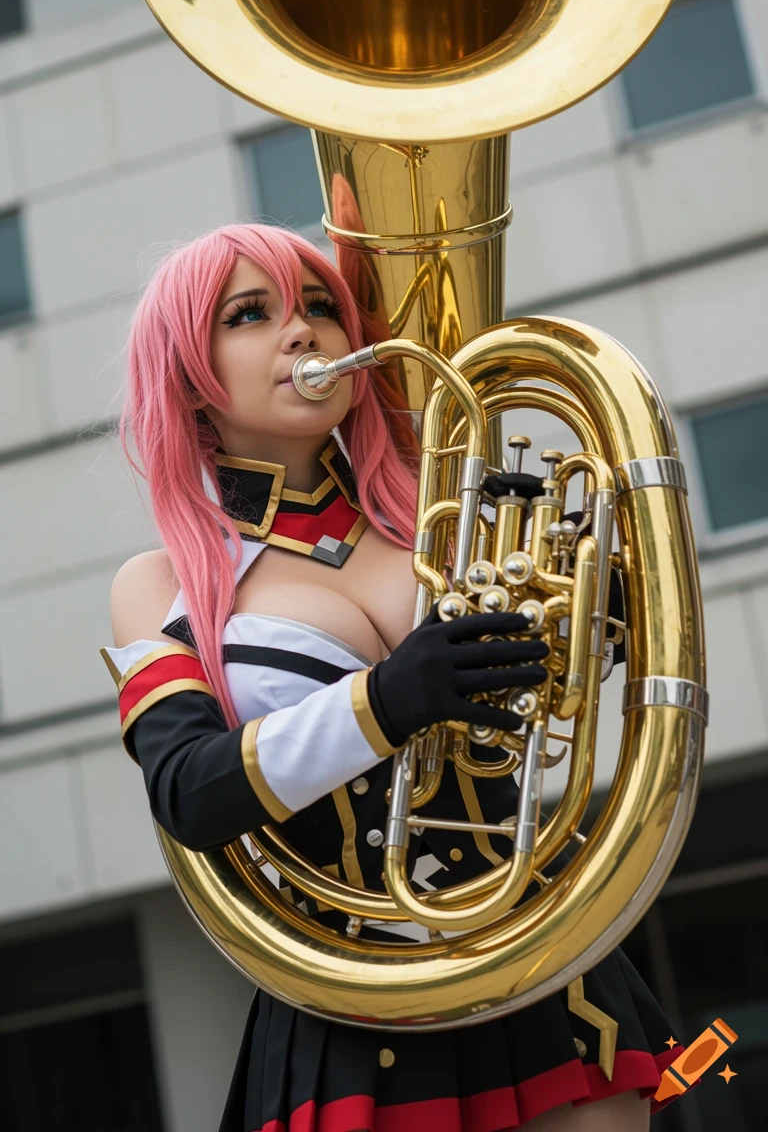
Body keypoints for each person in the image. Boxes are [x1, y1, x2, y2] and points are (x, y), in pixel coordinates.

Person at [103, 222, 683, 1132]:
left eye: (323, 307)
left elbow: (550, 697)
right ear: (186, 374)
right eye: (251, 315)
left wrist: (600, 602)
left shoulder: (446, 512)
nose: (304, 334)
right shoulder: (161, 584)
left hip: (542, 954)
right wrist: (382, 702)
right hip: (351, 997)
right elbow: (190, 792)